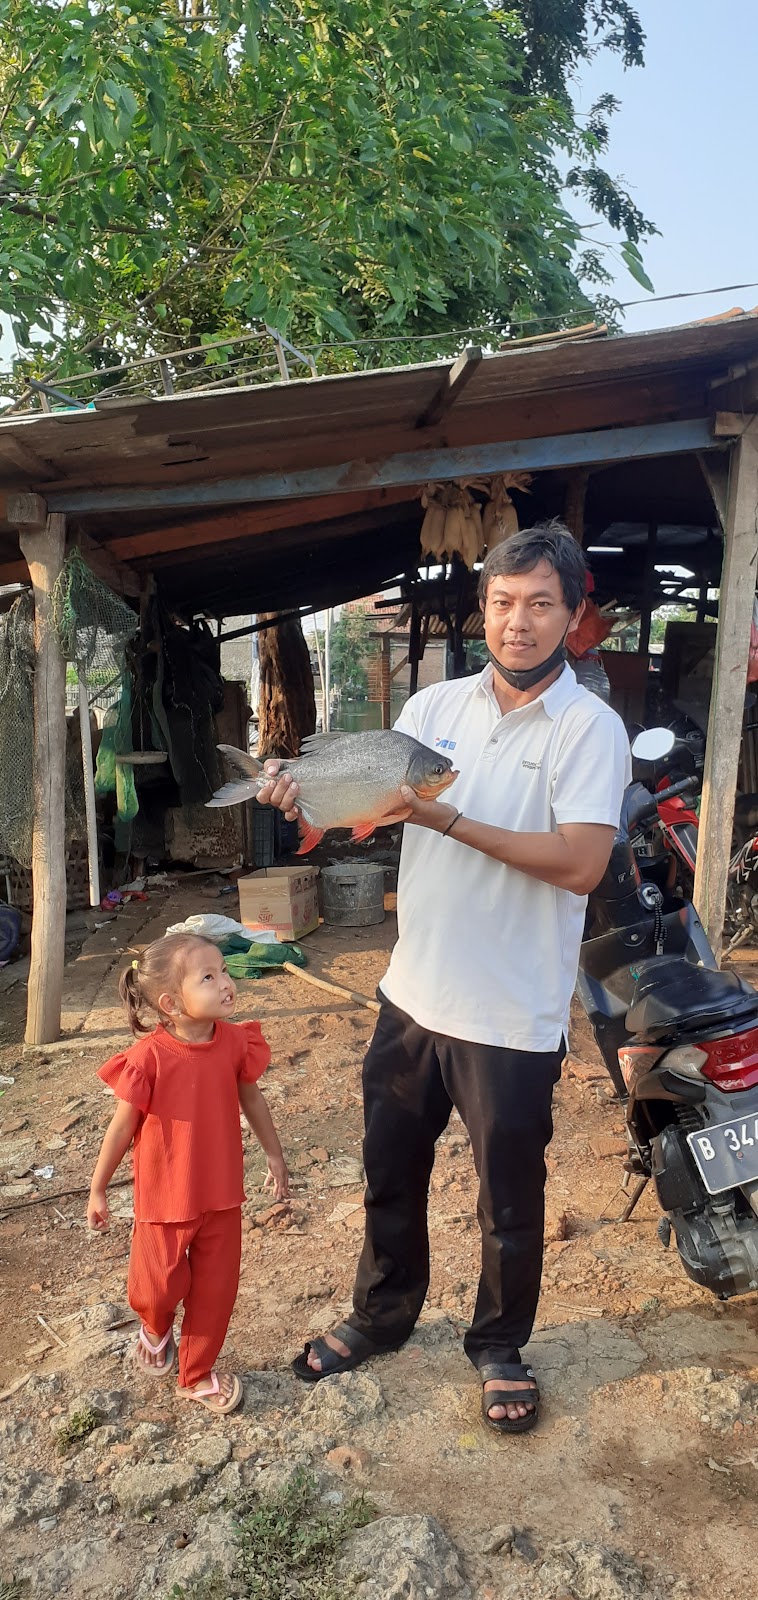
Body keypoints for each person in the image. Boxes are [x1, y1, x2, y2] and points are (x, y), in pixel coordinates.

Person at [259, 523, 630, 1434]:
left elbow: (581, 864)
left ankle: (499, 1345)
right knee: (390, 1172)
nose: (518, 622)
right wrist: (303, 793)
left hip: (511, 1011)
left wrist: (446, 820)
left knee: (509, 1200)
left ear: (573, 613)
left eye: (540, 604)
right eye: (503, 603)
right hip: (414, 992)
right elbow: (373, 802)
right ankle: (381, 1316)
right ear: (483, 609)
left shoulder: (589, 727)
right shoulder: (433, 708)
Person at [87, 933, 289, 1415]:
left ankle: (196, 1374)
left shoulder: (236, 1042)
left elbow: (252, 1099)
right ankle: (155, 1328)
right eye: (209, 977)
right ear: (171, 1004)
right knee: (156, 1288)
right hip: (165, 1197)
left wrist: (275, 1155)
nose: (226, 984)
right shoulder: (149, 1057)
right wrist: (98, 1188)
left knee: (216, 1291)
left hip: (222, 1194)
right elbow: (122, 1127)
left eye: (225, 971)